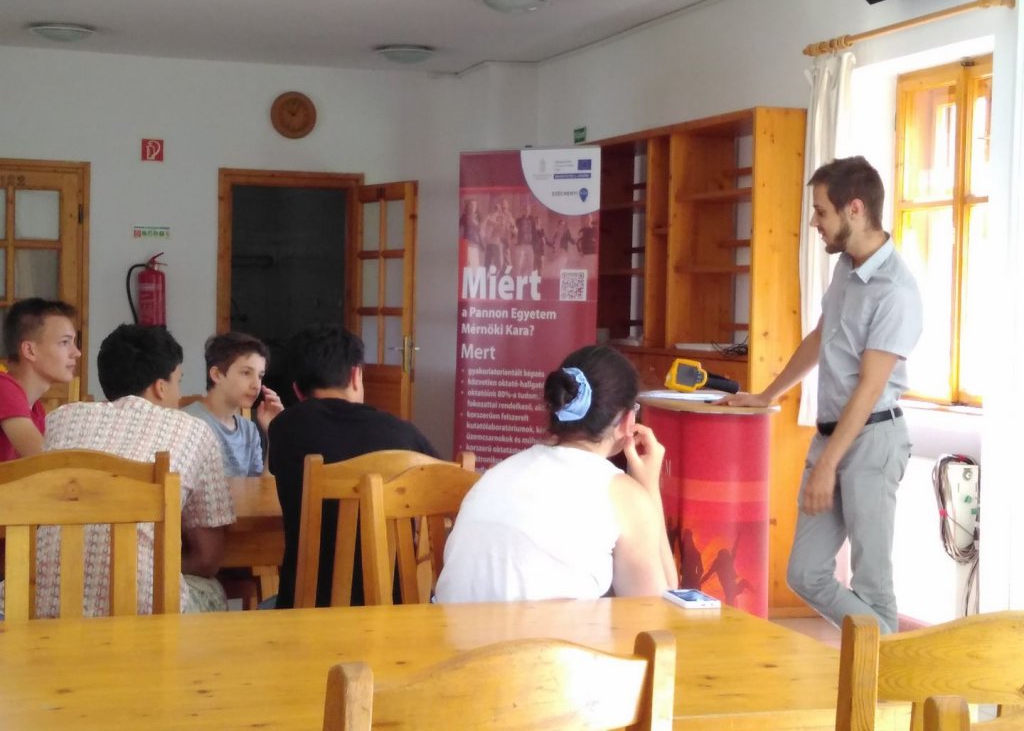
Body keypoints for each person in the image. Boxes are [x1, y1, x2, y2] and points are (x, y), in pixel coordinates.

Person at [724, 156, 922, 634]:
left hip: (873, 441)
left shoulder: (896, 291)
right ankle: (882, 652)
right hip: (832, 436)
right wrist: (767, 394)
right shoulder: (845, 269)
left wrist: (827, 466)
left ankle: (881, 667)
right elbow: (821, 336)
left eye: (820, 212)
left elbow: (869, 388)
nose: (814, 222)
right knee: (804, 573)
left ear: (855, 209)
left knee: (872, 585)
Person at [3, 324, 235, 617]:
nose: (179, 395)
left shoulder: (62, 419)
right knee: (212, 590)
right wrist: (147, 563)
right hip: (143, 614)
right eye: (178, 381)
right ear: (160, 387)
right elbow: (207, 559)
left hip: (35, 606)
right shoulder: (194, 430)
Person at [435, 345, 678, 602]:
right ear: (628, 422)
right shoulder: (622, 494)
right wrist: (649, 488)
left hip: (449, 627)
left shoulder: (498, 472)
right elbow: (661, 605)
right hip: (543, 631)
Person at [268, 323, 439, 608]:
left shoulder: (284, 428)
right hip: (397, 611)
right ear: (356, 375)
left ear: (297, 390)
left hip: (305, 611)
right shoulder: (403, 433)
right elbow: (445, 488)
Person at [183, 332, 283, 477]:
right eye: (246, 373)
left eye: (260, 376)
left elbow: (261, 487)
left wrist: (273, 432)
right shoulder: (188, 422)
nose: (256, 385)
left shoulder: (249, 430)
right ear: (216, 375)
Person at [0, 298, 80, 461]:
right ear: (30, 350)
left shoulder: (36, 410)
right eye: (64, 342)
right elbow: (44, 464)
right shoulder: (3, 387)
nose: (77, 353)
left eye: (74, 342)